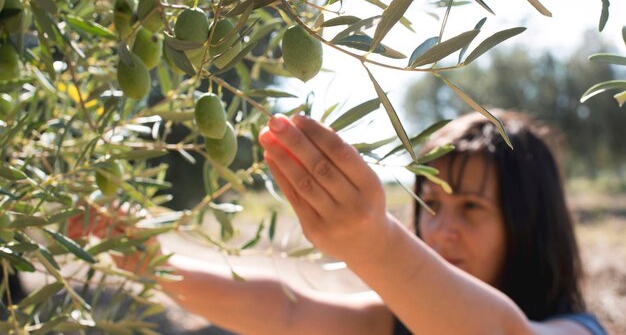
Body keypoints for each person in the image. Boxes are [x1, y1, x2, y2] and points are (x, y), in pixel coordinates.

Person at [69, 110, 607, 335]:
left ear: (530, 224)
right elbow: (284, 309)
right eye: (430, 205)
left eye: (472, 208)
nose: (441, 232)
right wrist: (139, 252)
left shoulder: (580, 330)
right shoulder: (393, 323)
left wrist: (374, 244)